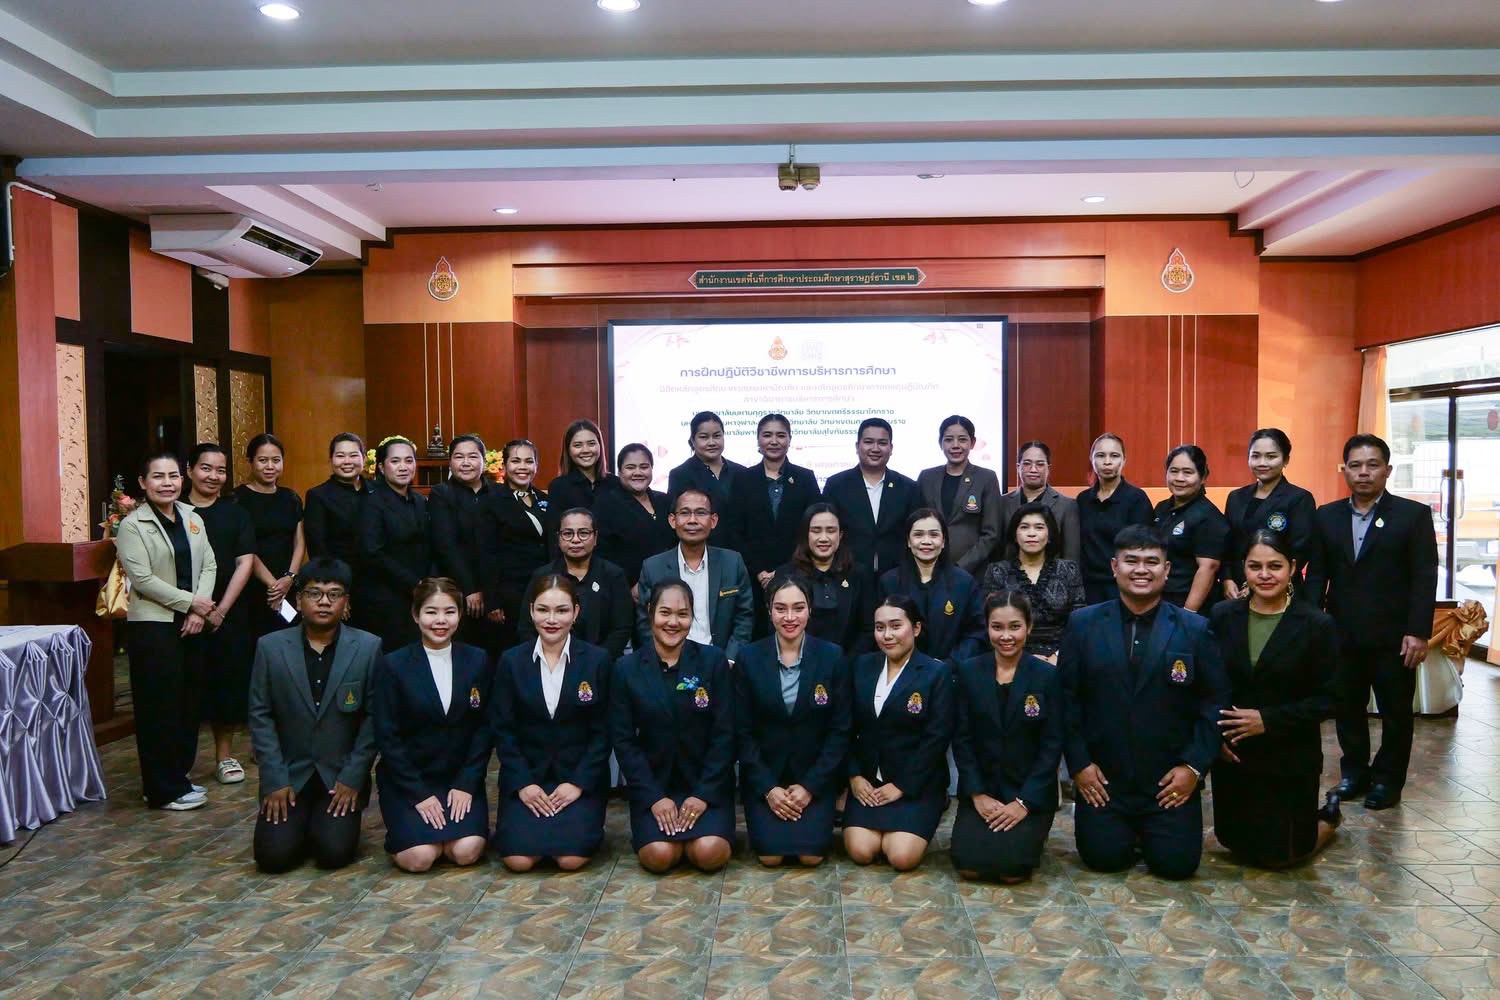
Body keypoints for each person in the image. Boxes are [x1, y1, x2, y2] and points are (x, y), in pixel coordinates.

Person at [1060, 524, 1229, 880]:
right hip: (1105, 780)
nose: (1141, 570)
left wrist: (1193, 768)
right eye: (1131, 560)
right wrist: (1080, 765)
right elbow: (1066, 699)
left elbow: (1215, 703)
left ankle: (1150, 832)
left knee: (1176, 866)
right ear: (1114, 567)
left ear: (1166, 570)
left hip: (1168, 781)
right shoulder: (1083, 624)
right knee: (1103, 858)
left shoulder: (1194, 629)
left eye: (1151, 562)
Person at [1305, 434, 1438, 811]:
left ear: (1388, 470)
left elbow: (1424, 576)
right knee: (1347, 709)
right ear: (1344, 470)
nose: (1363, 472)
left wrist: (1418, 631)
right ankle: (1354, 774)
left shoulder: (1412, 515)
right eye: (1355, 465)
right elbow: (1317, 574)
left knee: (1396, 713)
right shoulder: (1326, 515)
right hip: (1342, 634)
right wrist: (1313, 624)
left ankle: (1387, 781)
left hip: (1395, 637)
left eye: (1372, 465)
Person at [1211, 531, 1342, 867]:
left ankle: (1327, 819)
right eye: (1255, 566)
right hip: (1235, 752)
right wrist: (1215, 735)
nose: (1265, 575)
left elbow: (1331, 698)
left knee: (1282, 858)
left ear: (1292, 568)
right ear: (1244, 568)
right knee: (1233, 845)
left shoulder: (1317, 624)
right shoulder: (1222, 615)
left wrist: (1268, 720)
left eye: (1275, 566)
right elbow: (1210, 684)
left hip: (1289, 753)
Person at [248, 559, 381, 873]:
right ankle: (299, 825)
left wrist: (353, 777)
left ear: (346, 602)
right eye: (314, 593)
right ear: (299, 600)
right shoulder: (270, 647)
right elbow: (260, 715)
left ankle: (319, 825)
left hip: (339, 778)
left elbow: (374, 719)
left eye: (334, 594)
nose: (324, 601)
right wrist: (274, 779)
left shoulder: (368, 647)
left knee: (333, 854)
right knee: (273, 858)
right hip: (289, 775)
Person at [114, 453, 217, 810]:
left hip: (192, 622)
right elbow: (142, 579)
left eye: (173, 475)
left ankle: (177, 778)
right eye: (158, 476)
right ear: (143, 483)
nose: (167, 483)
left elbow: (209, 564)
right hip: (153, 627)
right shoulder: (132, 526)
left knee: (187, 704)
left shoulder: (192, 517)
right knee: (158, 708)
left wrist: (199, 609)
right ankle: (161, 789)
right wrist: (191, 603)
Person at [610, 581, 736, 873]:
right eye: (665, 612)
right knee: (659, 856)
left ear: (692, 617)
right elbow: (624, 741)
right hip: (654, 787)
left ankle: (695, 835)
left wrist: (703, 794)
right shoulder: (626, 669)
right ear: (650, 612)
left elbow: (726, 734)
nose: (673, 622)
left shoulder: (713, 661)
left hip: (706, 785)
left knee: (708, 853)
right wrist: (654, 798)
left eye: (683, 614)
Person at [491, 574, 613, 872]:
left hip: (576, 780)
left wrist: (578, 783)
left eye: (561, 610)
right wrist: (524, 783)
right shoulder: (511, 661)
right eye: (543, 610)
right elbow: (503, 730)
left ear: (576, 612)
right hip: (528, 778)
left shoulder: (597, 661)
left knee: (570, 859)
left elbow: (604, 732)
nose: (552, 619)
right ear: (531, 610)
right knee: (518, 860)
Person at [371, 578, 492, 872]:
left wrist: (466, 783)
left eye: (449, 612)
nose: (441, 620)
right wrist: (419, 794)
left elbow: (485, 727)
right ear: (416, 615)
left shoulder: (477, 659)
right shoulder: (393, 665)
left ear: (460, 615)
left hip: (458, 779)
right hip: (410, 780)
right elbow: (387, 736)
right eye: (431, 612)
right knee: (420, 857)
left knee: (465, 851)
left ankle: (446, 833)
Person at [734, 574, 851, 867]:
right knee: (770, 857)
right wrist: (768, 788)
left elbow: (840, 730)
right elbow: (741, 731)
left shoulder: (832, 656)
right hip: (766, 778)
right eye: (780, 608)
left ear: (810, 610)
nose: (789, 617)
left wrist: (810, 786)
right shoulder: (749, 658)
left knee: (811, 856)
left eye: (798, 608)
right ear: (768, 610)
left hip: (814, 778)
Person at [951, 591, 1063, 882]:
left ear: (1029, 627)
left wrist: (1023, 802)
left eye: (1015, 627)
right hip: (983, 790)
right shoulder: (969, 672)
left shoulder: (1047, 676)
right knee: (968, 866)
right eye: (997, 627)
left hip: (1028, 792)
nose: (1006, 636)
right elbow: (961, 738)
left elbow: (1052, 746)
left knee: (1011, 871)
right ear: (987, 628)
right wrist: (977, 794)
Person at [844, 595, 956, 871]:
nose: (887, 635)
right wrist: (854, 776)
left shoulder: (936, 672)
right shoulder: (861, 666)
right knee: (861, 851)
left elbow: (936, 738)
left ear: (915, 628)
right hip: (869, 783)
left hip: (916, 784)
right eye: (879, 627)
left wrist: (902, 785)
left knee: (901, 857)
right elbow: (844, 726)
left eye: (896, 626)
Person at [185, 443, 258, 785]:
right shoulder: (175, 511)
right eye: (206, 468)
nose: (214, 476)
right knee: (185, 686)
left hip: (229, 612)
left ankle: (224, 757)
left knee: (226, 684)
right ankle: (180, 761)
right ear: (189, 470)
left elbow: (245, 561)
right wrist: (193, 605)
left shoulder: (236, 513)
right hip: (182, 611)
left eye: (221, 470)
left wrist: (222, 609)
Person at [635, 487, 754, 663]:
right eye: (685, 513)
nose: (692, 520)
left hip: (721, 663)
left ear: (713, 520)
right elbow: (645, 623)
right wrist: (665, 661)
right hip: (669, 663)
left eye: (700, 513)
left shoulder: (732, 562)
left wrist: (729, 660)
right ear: (672, 520)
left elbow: (744, 617)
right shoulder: (653, 567)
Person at [729, 414, 822, 636]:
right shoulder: (742, 479)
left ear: (789, 439)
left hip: (798, 573)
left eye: (781, 435)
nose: (774, 441)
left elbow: (813, 529)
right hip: (752, 578)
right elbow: (734, 531)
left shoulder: (805, 478)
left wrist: (783, 571)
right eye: (767, 435)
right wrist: (759, 571)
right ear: (758, 439)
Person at [517, 508, 633, 659]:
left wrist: (597, 661)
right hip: (550, 660)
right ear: (558, 538)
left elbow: (622, 628)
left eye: (583, 533)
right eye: (567, 534)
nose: (576, 540)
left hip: (602, 662)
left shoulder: (613, 575)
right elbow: (526, 628)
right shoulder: (542, 576)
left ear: (595, 537)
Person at [979, 503, 1087, 661]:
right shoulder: (997, 572)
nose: (1031, 534)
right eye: (1024, 527)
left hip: (1061, 659)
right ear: (1014, 535)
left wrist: (1057, 656)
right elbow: (987, 624)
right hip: (1011, 657)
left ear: (1049, 535)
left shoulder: (1068, 570)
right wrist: (1025, 659)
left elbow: (1080, 622)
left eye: (1039, 527)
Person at [877, 508, 984, 662]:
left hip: (951, 670)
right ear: (908, 541)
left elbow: (977, 633)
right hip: (902, 668)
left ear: (943, 541)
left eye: (934, 535)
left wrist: (949, 664)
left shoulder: (964, 583)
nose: (926, 541)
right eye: (918, 534)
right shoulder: (889, 582)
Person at [1222, 428, 1317, 600]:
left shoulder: (1299, 498)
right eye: (1255, 456)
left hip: (1280, 590)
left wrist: (1257, 584)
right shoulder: (1236, 497)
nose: (1262, 462)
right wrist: (1227, 578)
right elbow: (1227, 544)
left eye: (1271, 456)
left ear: (1286, 460)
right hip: (1236, 591)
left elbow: (1300, 550)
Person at [479, 439, 555, 650]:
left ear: (536, 465)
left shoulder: (545, 498)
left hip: (544, 587)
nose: (523, 467)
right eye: (516, 461)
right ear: (504, 465)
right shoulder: (491, 500)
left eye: (529, 461)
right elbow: (486, 553)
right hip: (509, 593)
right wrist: (493, 601)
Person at [356, 435, 431, 651]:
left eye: (409, 460)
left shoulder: (420, 501)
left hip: (421, 593)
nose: (403, 467)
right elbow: (371, 552)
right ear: (381, 466)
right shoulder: (370, 501)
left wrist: (426, 583)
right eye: (395, 461)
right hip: (385, 594)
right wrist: (412, 583)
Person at [428, 433, 501, 652]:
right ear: (450, 462)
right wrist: (470, 589)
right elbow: (446, 545)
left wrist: (493, 594)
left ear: (484, 460)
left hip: (496, 590)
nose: (466, 462)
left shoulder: (499, 493)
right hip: (458, 589)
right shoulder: (442, 494)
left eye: (473, 456)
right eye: (459, 457)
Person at [823, 418, 920, 575]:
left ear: (891, 448)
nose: (875, 448)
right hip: (847, 574)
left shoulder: (908, 487)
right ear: (857, 446)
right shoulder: (836, 485)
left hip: (896, 576)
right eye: (868, 442)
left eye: (882, 443)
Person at [234, 433, 305, 639]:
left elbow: (300, 542)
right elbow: (244, 547)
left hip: (288, 582)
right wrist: (273, 585)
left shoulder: (291, 498)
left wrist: (290, 577)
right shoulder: (238, 499)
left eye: (276, 460)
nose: (270, 466)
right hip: (252, 583)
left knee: (288, 639)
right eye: (263, 460)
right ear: (250, 462)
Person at [781, 503, 877, 655]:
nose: (824, 538)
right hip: (799, 662)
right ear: (806, 535)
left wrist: (846, 663)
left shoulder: (859, 574)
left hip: (849, 663)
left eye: (831, 531)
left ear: (840, 535)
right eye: (816, 531)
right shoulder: (786, 575)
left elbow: (868, 629)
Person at [917, 414, 1004, 575]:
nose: (955, 445)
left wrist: (961, 567)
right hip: (929, 569)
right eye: (948, 440)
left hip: (971, 573)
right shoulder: (926, 477)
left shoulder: (986, 478)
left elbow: (991, 534)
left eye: (962, 439)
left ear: (973, 443)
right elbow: (916, 525)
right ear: (940, 443)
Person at [1075, 433, 1153, 605]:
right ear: (1091, 459)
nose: (1107, 462)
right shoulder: (1083, 499)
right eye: (1100, 455)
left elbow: (1143, 548)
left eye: (1114, 456)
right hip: (1086, 586)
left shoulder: (1137, 499)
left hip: (1122, 585)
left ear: (1124, 460)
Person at [1152, 444, 1230, 613]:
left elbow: (1208, 568)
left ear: (1203, 477)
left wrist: (1188, 613)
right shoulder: (1161, 508)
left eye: (1188, 472)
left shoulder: (1208, 516)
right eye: (1173, 471)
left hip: (1188, 606)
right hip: (1159, 600)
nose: (1179, 478)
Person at [594, 442, 676, 601]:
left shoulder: (665, 500)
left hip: (670, 587)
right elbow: (603, 555)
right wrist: (628, 587)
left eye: (644, 467)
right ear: (619, 471)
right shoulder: (606, 504)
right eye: (630, 467)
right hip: (628, 593)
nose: (638, 472)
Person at [667, 411, 744, 549]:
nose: (712, 442)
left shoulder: (741, 472)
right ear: (692, 440)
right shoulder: (680, 474)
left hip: (740, 552)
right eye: (704, 437)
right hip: (700, 552)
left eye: (717, 436)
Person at [998, 441, 1081, 563]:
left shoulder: (1067, 506)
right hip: (1008, 573)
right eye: (1027, 463)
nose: (1033, 469)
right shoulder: (1001, 502)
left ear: (1048, 468)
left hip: (1054, 573)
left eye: (1040, 464)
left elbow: (1071, 555)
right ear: (1018, 467)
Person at [304, 432, 368, 565]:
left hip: (379, 573)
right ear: (331, 460)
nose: (347, 461)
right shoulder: (318, 496)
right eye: (340, 456)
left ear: (364, 459)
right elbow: (317, 548)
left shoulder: (377, 491)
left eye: (353, 455)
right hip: (338, 573)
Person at [547, 419, 618, 513]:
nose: (585, 450)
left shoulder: (616, 484)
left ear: (600, 445)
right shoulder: (558, 487)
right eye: (577, 445)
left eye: (591, 444)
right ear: (568, 450)